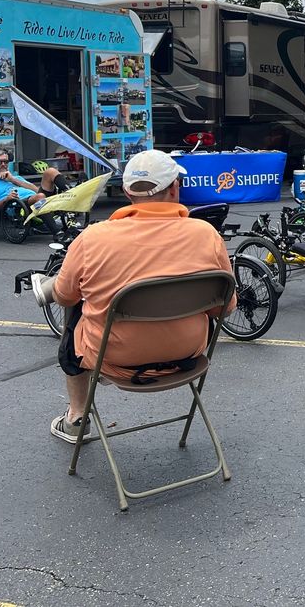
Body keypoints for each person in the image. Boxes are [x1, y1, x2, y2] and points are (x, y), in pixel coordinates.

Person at [38, 149, 236, 444]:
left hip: (114, 356)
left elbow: (65, 296)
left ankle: (77, 417)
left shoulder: (92, 238)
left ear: (128, 193)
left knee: (76, 311)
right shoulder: (206, 235)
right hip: (187, 354)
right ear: (174, 188)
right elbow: (225, 309)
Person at [0, 149, 61, 216]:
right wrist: (6, 199)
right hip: (18, 205)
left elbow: (36, 190)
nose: (3, 165)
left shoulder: (15, 177)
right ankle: (57, 232)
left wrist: (12, 179)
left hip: (38, 198)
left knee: (51, 171)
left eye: (5, 162)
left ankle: (69, 192)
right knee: (39, 197)